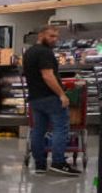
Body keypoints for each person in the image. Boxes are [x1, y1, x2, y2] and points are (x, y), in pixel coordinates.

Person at [23, 26, 82, 176]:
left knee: (38, 130)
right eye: (51, 36)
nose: (54, 39)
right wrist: (62, 95)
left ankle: (40, 165)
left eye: (56, 37)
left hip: (35, 98)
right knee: (60, 129)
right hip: (50, 98)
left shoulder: (29, 52)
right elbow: (48, 76)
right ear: (41, 35)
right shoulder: (45, 52)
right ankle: (58, 162)